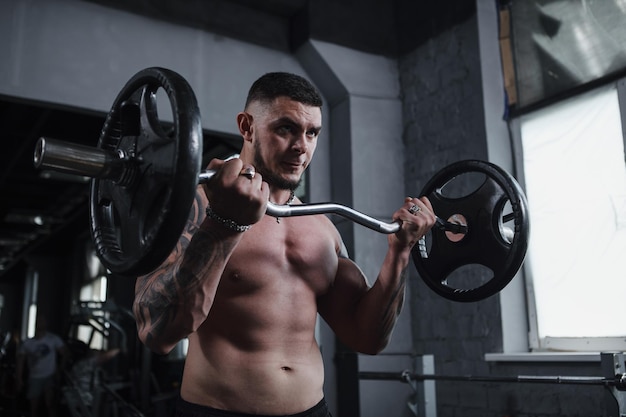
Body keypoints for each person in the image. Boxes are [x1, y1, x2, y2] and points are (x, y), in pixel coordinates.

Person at [133, 72, 436, 417]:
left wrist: (399, 253)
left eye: (312, 133)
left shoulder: (322, 227)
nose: (301, 146)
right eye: (285, 128)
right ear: (247, 127)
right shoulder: (196, 210)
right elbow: (155, 332)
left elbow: (367, 338)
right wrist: (222, 227)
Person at [16, 316, 67, 417]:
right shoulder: (28, 343)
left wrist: (60, 369)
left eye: (42, 321)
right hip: (35, 377)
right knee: (33, 406)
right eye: (38, 321)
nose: (40, 323)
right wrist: (19, 379)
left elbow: (65, 353)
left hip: (49, 376)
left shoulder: (53, 339)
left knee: (50, 404)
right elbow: (20, 361)